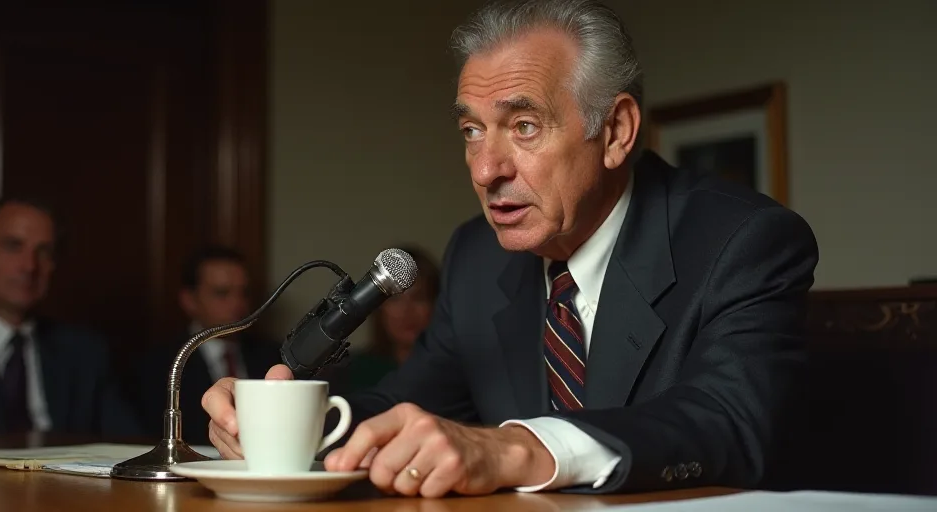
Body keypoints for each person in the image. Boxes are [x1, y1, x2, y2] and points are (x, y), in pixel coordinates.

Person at [202, 0, 819, 499]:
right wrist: (285, 425)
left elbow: (730, 421)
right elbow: (404, 404)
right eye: (472, 130)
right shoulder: (477, 255)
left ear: (616, 132)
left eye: (524, 126)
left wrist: (517, 449)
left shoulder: (743, 241)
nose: (486, 169)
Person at [0, 197, 140, 437]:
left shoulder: (84, 353)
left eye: (44, 252)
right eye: (13, 246)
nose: (30, 266)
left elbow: (128, 447)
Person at [131, 245, 281, 443]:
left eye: (244, 292)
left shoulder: (272, 355)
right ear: (189, 300)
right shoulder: (162, 363)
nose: (237, 303)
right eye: (221, 293)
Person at [333, 245, 441, 394]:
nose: (406, 311)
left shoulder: (452, 369)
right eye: (395, 299)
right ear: (379, 307)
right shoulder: (353, 370)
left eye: (418, 298)